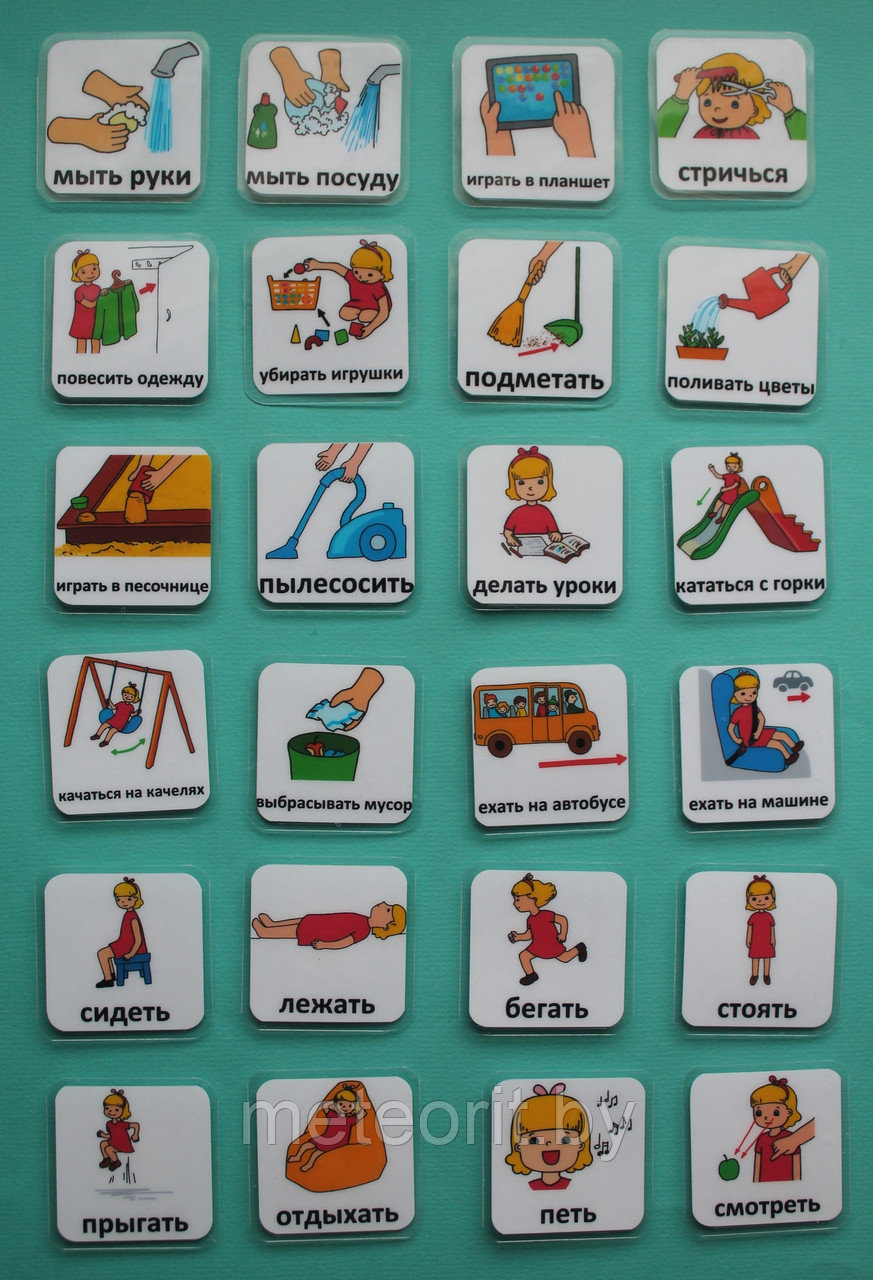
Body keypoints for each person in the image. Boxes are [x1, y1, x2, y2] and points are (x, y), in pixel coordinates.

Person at [658, 55, 806, 140]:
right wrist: (681, 96)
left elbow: (800, 148)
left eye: (734, 104)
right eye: (707, 102)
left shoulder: (750, 138)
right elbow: (662, 136)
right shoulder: (702, 135)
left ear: (754, 109)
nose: (717, 108)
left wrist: (790, 111)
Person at [505, 1083, 593, 1190]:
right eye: (534, 1140)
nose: (549, 1144)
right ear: (518, 1147)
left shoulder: (579, 1187)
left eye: (565, 1140)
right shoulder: (521, 1189)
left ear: (580, 1145)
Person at [302, 241, 392, 339]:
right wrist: (317, 265)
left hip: (374, 306)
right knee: (344, 313)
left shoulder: (378, 287)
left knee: (364, 316)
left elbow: (384, 312)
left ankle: (369, 313)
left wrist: (370, 328)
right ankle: (362, 312)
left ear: (382, 274)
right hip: (356, 303)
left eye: (370, 274)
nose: (361, 276)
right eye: (356, 271)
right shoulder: (352, 277)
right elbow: (337, 267)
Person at [508, 874, 587, 986]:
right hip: (537, 945)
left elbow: (562, 920)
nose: (515, 903)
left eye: (518, 900)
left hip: (551, 944)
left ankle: (580, 948)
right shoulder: (530, 919)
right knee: (524, 956)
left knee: (565, 958)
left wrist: (563, 934)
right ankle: (531, 975)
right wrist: (518, 937)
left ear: (533, 899)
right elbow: (530, 934)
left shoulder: (545, 914)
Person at [287, 1084, 365, 1174]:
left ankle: (309, 1164)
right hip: (326, 1137)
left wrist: (357, 1106)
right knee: (305, 1145)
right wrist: (335, 1103)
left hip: (338, 1142)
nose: (344, 1107)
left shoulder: (350, 1119)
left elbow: (363, 1113)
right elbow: (324, 1105)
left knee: (316, 1153)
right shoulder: (333, 1114)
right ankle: (297, 1157)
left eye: (349, 1105)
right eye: (341, 1104)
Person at [252, 901, 406, 947]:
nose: (383, 903)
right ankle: (272, 924)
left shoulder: (364, 931)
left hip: (320, 933)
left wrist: (324, 945)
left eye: (387, 909)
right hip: (320, 922)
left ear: (386, 925)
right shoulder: (363, 919)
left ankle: (266, 933)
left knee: (296, 930)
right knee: (300, 921)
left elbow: (344, 943)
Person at [727, 671, 802, 764]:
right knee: (777, 744)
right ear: (735, 694)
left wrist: (758, 733)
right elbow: (730, 728)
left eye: (754, 692)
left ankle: (794, 747)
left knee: (783, 735)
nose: (749, 696)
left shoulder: (754, 708)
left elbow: (761, 719)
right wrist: (737, 739)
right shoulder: (738, 712)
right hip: (749, 740)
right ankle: (788, 758)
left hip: (758, 734)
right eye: (743, 693)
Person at [750, 1076, 815, 1182]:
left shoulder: (791, 1138)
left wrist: (797, 1184)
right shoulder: (761, 1139)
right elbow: (757, 1166)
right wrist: (755, 1183)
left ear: (788, 1112)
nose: (766, 1117)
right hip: (764, 1184)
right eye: (759, 1112)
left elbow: (796, 1163)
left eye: (776, 1112)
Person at [503, 446, 562, 548]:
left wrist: (555, 535)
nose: (530, 488)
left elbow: (554, 531)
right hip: (520, 548)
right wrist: (509, 537)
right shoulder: (517, 512)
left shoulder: (545, 512)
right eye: (521, 483)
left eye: (540, 482)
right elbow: (508, 531)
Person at [96, 878, 147, 987]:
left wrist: (131, 954)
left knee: (102, 954)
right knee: (105, 951)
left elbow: (138, 940)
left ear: (135, 899)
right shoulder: (128, 914)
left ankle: (108, 979)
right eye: (119, 899)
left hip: (131, 947)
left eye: (128, 899)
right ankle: (111, 975)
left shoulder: (133, 917)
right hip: (125, 944)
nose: (123, 902)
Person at [97, 1089, 140, 1171]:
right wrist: (103, 1135)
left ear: (123, 1110)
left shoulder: (122, 1124)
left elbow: (136, 1125)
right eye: (107, 1108)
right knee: (103, 1143)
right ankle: (106, 1159)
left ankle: (116, 1162)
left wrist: (135, 1135)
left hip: (122, 1144)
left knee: (108, 1149)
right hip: (114, 1141)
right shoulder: (109, 1124)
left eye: (116, 1109)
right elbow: (111, 1135)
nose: (110, 1111)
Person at [69, 250, 102, 355]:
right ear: (77, 274)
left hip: (95, 320)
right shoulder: (79, 291)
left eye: (94, 268)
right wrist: (101, 299)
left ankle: (97, 358)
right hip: (82, 321)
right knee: (81, 341)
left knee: (96, 340)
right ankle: (79, 359)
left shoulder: (98, 288)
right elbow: (89, 304)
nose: (91, 273)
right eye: (83, 271)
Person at [745, 875, 776, 986]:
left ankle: (766, 975)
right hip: (756, 941)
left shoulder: (769, 917)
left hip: (766, 941)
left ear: (772, 899)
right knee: (755, 958)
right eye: (754, 899)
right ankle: (754, 974)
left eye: (766, 898)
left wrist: (773, 939)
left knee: (767, 957)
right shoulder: (753, 917)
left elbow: (772, 928)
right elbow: (750, 928)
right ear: (749, 900)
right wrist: (748, 939)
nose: (760, 901)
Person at [91, 683, 139, 747]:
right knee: (104, 725)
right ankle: (97, 735)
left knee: (112, 730)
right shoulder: (121, 703)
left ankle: (106, 741)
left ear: (134, 698)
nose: (128, 697)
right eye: (126, 695)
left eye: (131, 697)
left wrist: (136, 712)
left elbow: (132, 715)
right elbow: (113, 707)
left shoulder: (131, 707)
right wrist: (109, 702)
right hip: (114, 719)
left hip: (120, 723)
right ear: (123, 695)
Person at [708, 453, 743, 524]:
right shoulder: (727, 475)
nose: (731, 468)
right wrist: (713, 471)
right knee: (719, 502)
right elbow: (719, 476)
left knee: (727, 506)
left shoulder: (737, 477)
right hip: (725, 493)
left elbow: (735, 485)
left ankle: (722, 517)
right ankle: (714, 512)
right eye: (728, 466)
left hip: (732, 494)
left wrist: (726, 489)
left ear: (739, 467)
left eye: (734, 466)